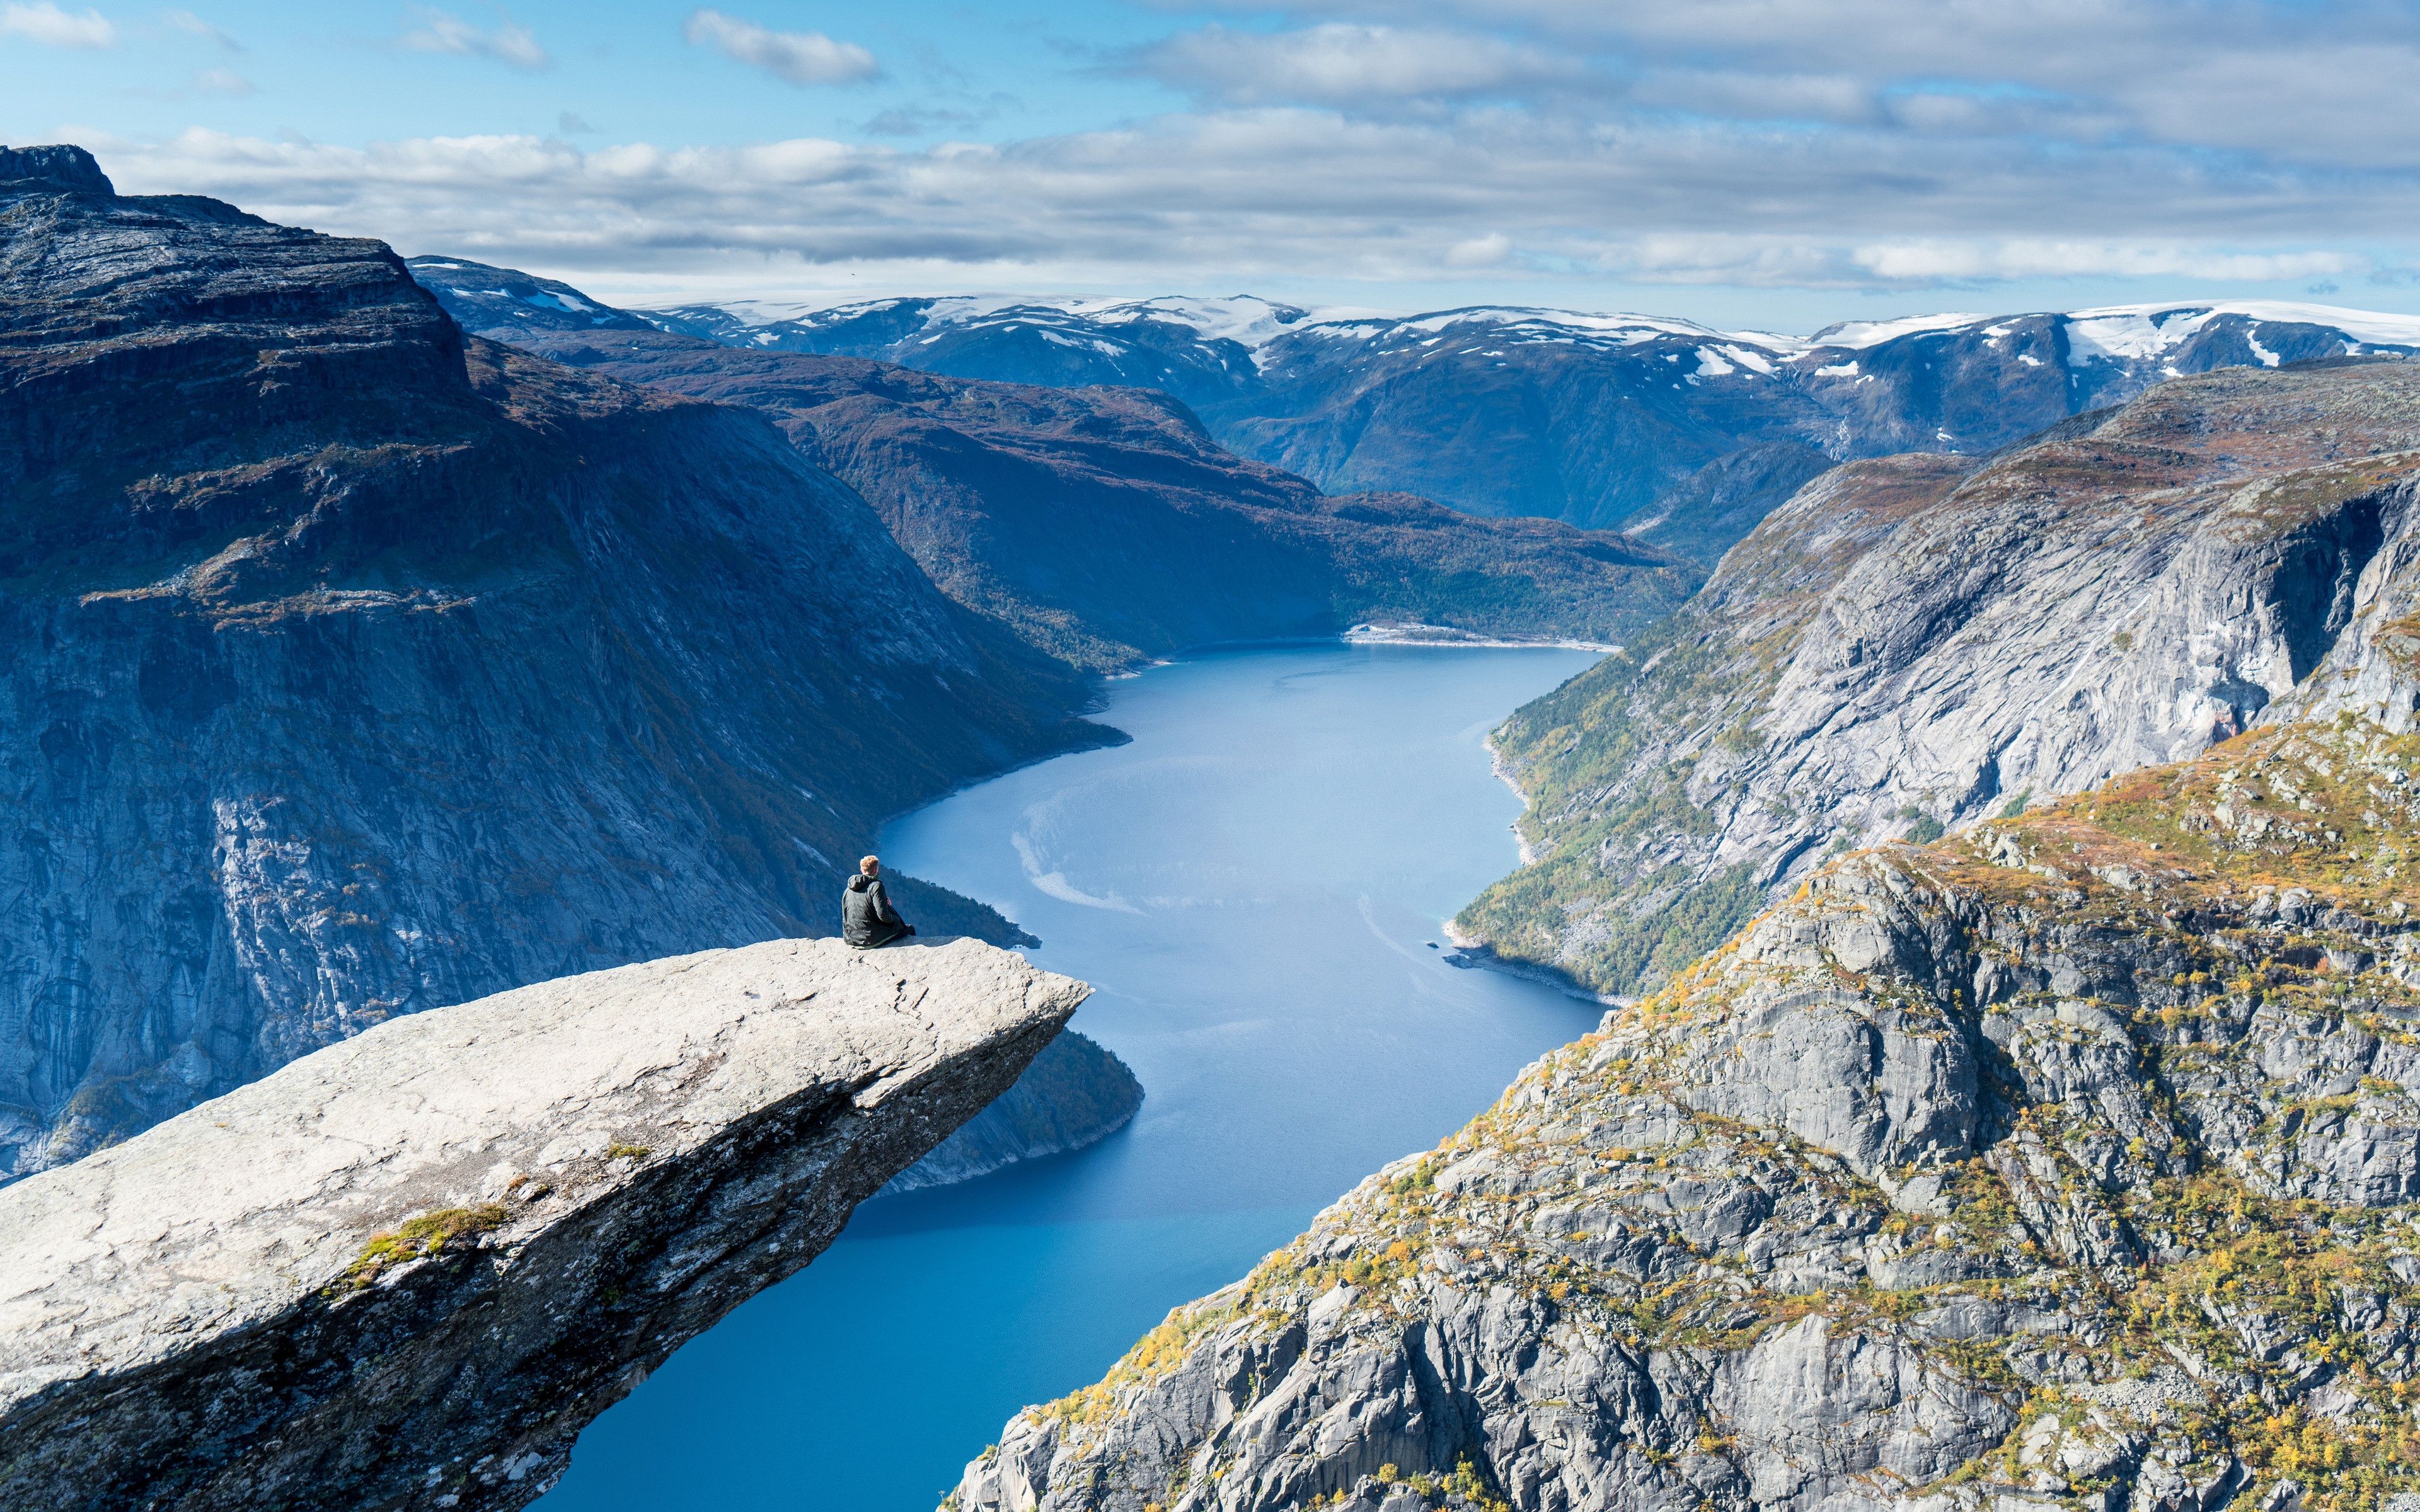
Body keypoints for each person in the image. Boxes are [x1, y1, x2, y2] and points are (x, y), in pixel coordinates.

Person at [843, 855, 916, 948]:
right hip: (869, 939)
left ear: (862, 870)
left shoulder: (849, 889)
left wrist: (884, 903)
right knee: (909, 929)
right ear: (876, 870)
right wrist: (895, 920)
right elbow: (883, 916)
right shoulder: (876, 886)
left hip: (851, 938)